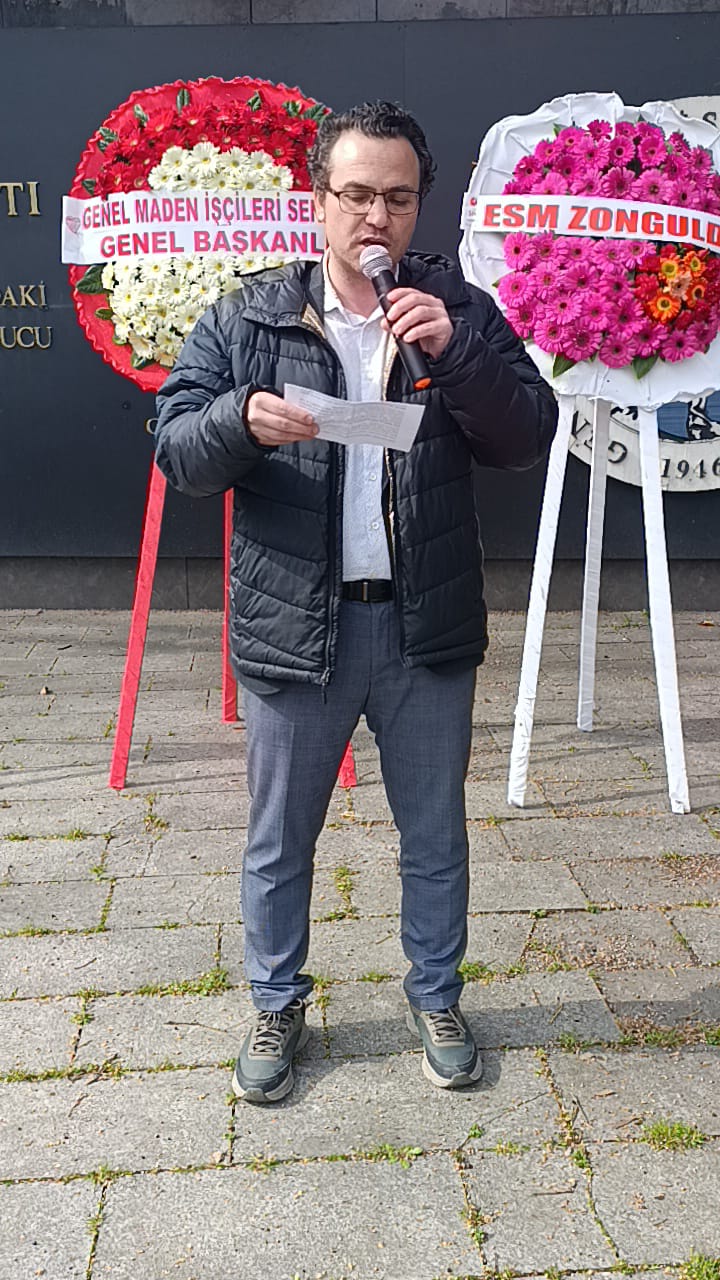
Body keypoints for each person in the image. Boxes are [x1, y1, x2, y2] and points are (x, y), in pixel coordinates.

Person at [154, 100, 558, 1104]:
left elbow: (526, 435)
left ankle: (437, 996)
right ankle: (276, 1001)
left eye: (399, 199)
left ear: (419, 207)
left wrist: (458, 355)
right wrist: (238, 420)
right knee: (278, 840)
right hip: (297, 625)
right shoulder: (248, 317)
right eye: (358, 195)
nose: (377, 217)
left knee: (436, 834)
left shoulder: (456, 311)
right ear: (319, 199)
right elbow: (177, 448)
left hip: (424, 627)